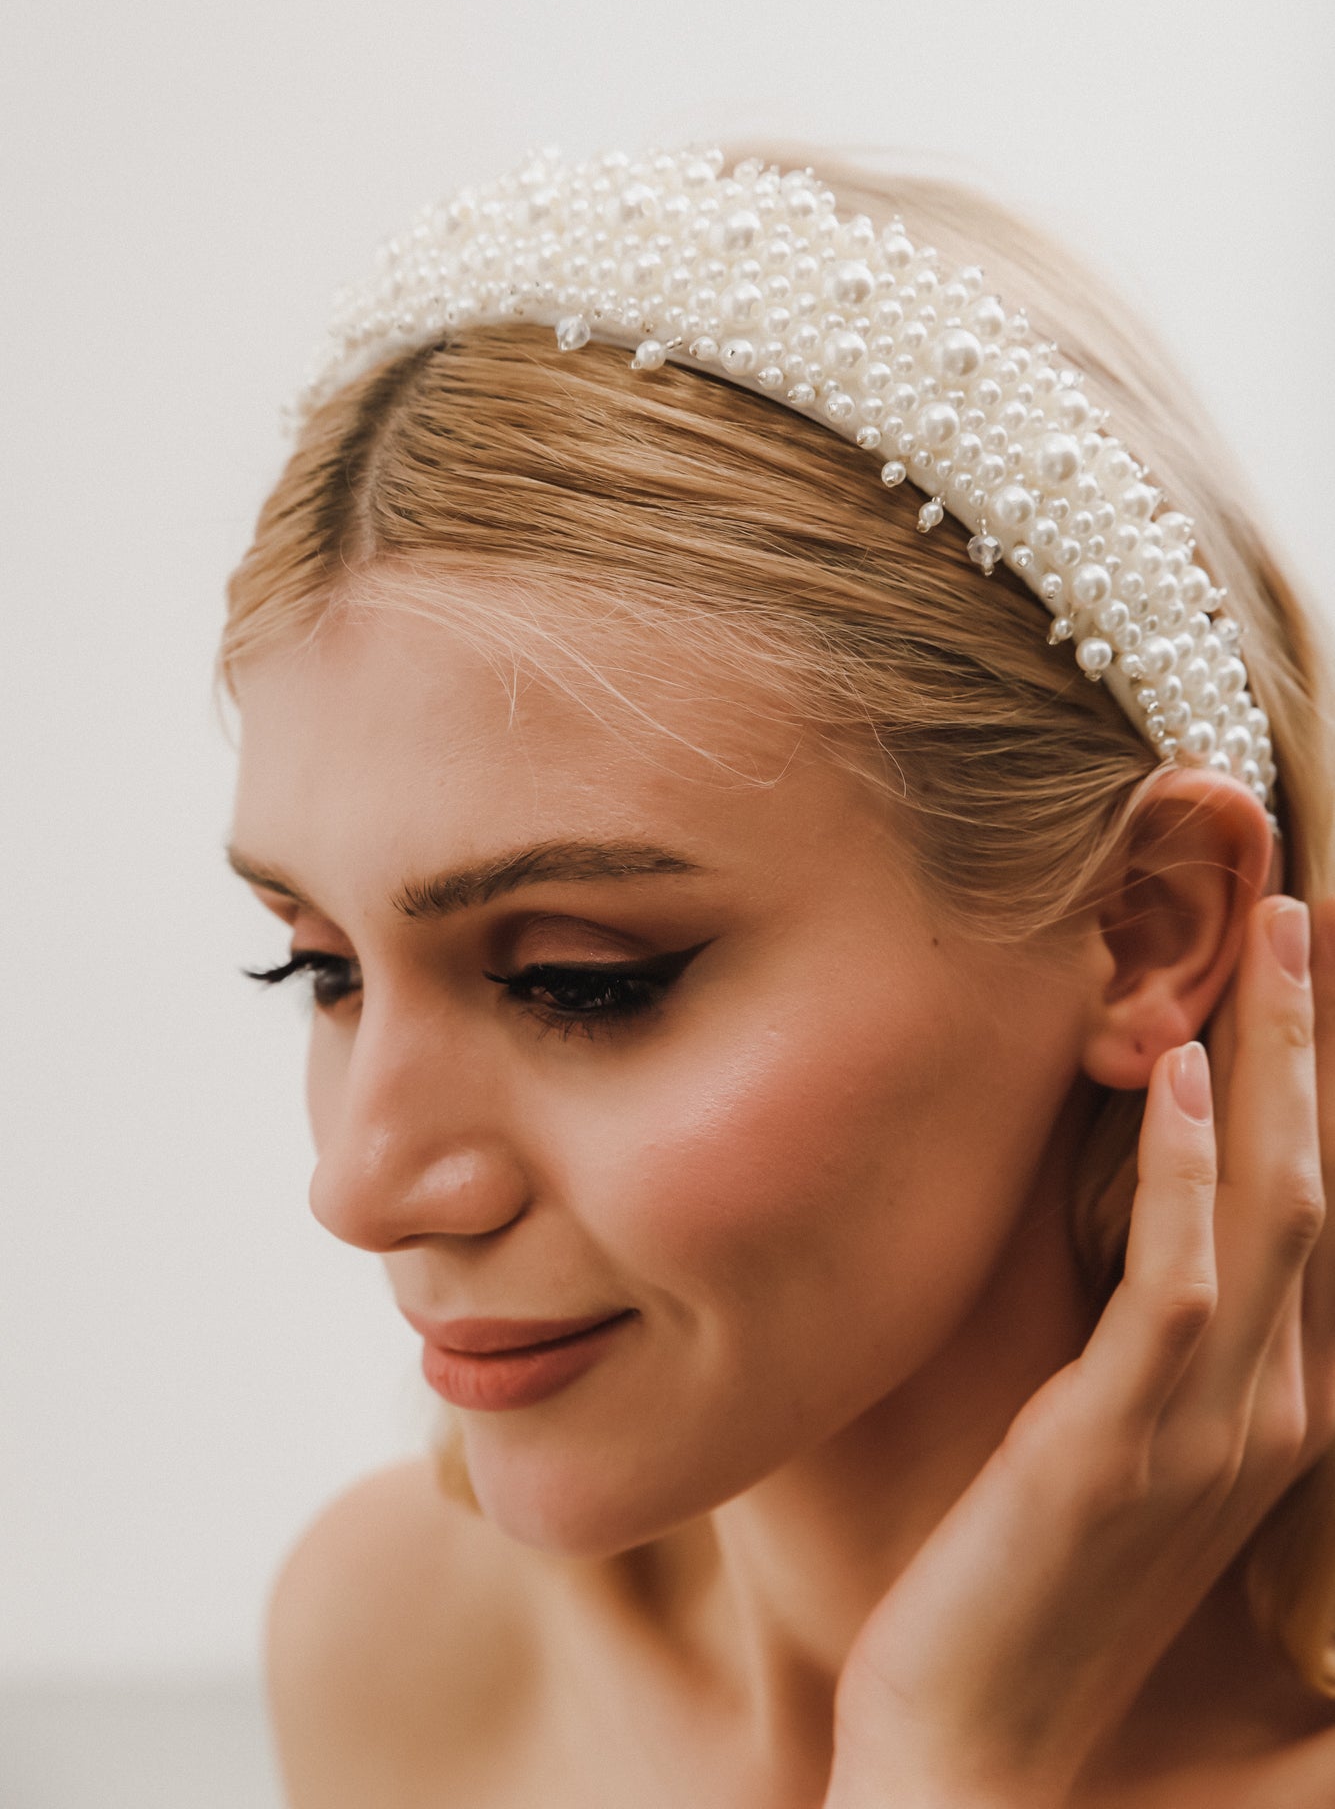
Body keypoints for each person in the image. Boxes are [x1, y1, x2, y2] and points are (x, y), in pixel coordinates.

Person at [218, 145, 1335, 1807]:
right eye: (318, 970)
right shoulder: (407, 1645)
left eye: (581, 981)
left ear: (1145, 927)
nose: (361, 1188)